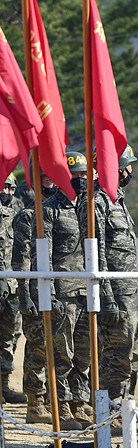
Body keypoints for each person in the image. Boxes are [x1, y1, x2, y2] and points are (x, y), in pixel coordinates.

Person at [32, 152, 91, 430]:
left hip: (86, 291)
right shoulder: (49, 210)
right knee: (61, 355)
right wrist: (46, 294)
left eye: (83, 175)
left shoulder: (89, 208)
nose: (80, 180)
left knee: (84, 355)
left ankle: (80, 404)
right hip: (62, 294)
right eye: (74, 176)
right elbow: (39, 258)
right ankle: (61, 406)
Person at [79, 147, 138, 408]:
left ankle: (124, 409)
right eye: (128, 166)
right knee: (116, 355)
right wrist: (107, 297)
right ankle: (109, 410)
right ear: (115, 167)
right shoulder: (96, 200)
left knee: (132, 355)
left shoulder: (117, 200)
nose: (131, 172)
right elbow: (95, 252)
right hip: (115, 294)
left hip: (130, 292)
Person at [13, 166, 57, 424]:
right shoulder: (28, 216)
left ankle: (58, 399)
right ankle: (36, 401)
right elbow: (20, 260)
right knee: (38, 347)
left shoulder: (67, 211)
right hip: (35, 290)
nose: (51, 184)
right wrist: (24, 294)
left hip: (62, 290)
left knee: (63, 349)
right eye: (46, 179)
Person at [0, 173, 26, 404]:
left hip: (13, 284)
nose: (6, 192)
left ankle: (3, 383)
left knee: (11, 336)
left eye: (10, 188)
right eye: (2, 187)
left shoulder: (19, 210)